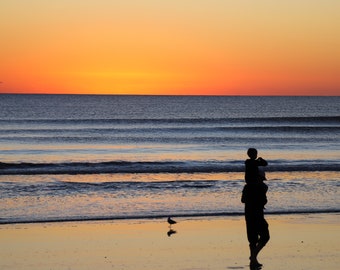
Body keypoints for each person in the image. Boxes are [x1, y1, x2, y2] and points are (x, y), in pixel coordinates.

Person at [241, 148, 270, 268]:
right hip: (257, 213)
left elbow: (243, 200)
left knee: (252, 237)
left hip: (248, 213)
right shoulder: (261, 187)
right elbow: (264, 163)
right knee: (265, 236)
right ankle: (253, 256)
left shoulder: (247, 186)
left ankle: (253, 258)